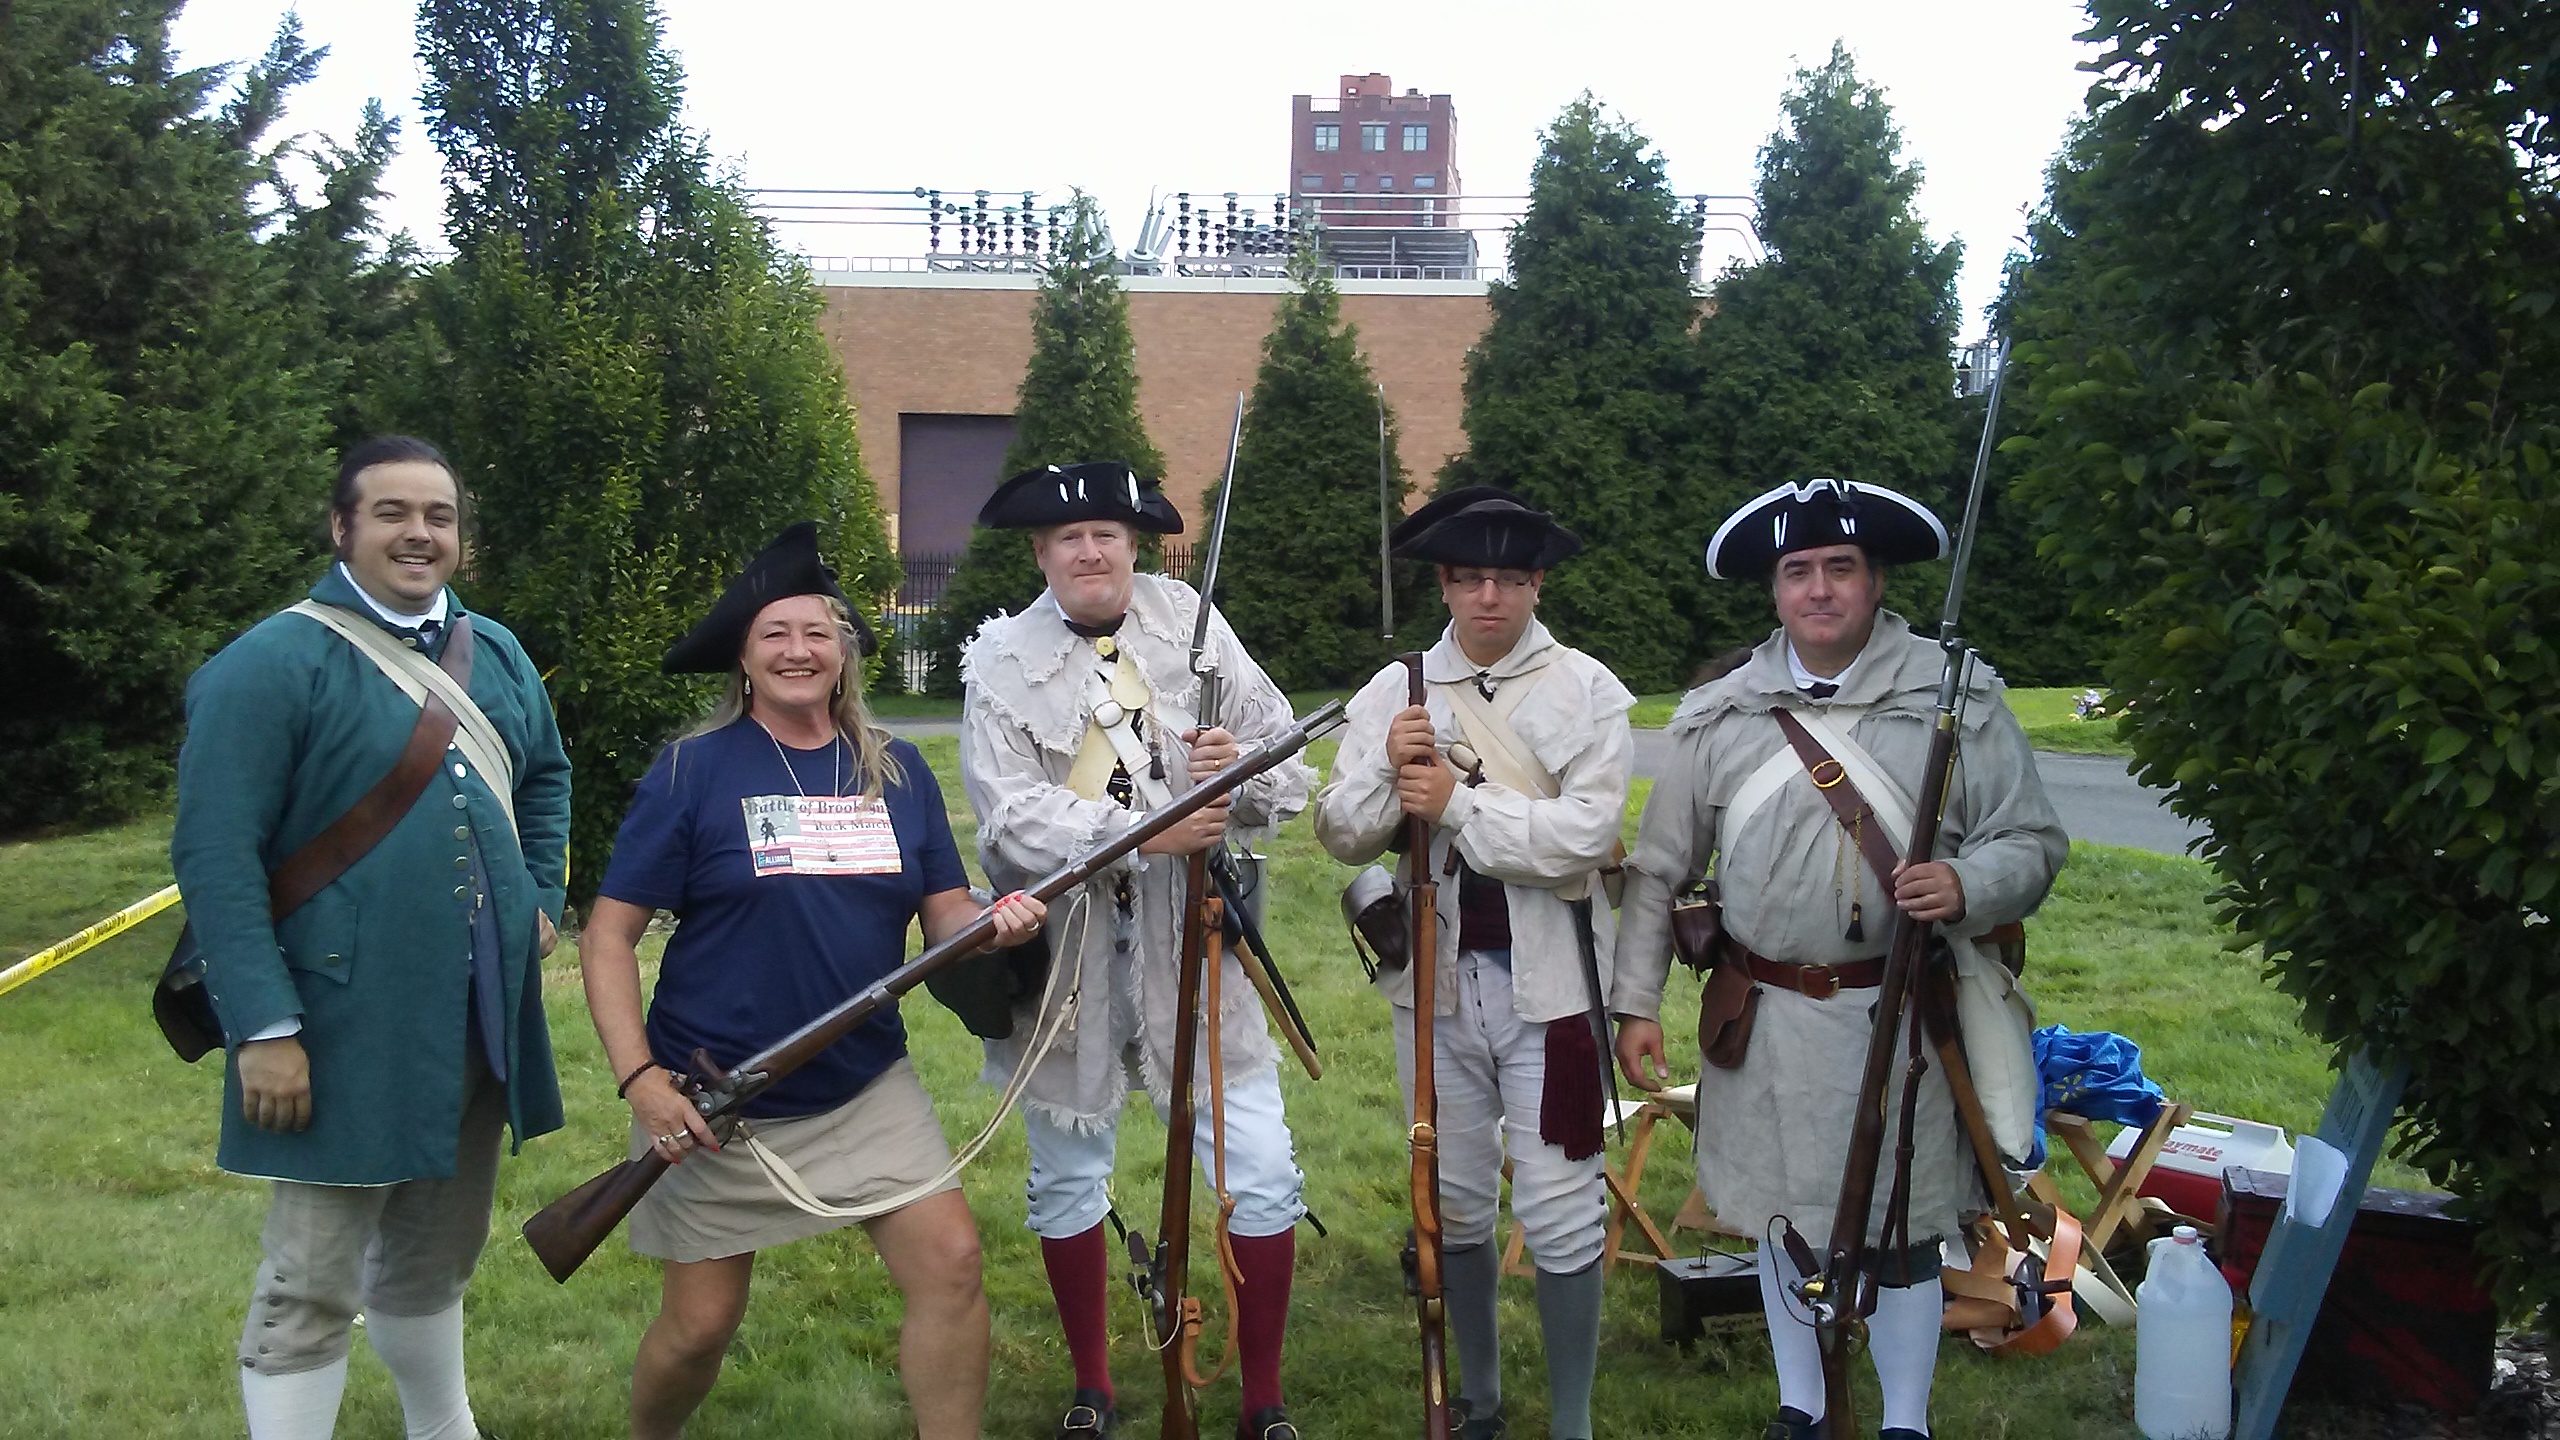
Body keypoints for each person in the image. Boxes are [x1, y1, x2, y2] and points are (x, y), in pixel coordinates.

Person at [1610, 479, 2070, 1440]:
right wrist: (1636, 1003)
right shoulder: (1720, 713)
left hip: (1901, 1014)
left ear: (1875, 580)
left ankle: (1905, 1419)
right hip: (1767, 1015)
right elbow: (1658, 870)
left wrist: (1967, 884)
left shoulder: (1956, 696)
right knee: (1783, 1222)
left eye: (1840, 569)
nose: (1819, 590)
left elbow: (2029, 840)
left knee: (1903, 1221)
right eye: (1798, 571)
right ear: (1775, 591)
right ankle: (1802, 1407)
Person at [580, 522, 1044, 1440]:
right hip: (714, 1097)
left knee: (951, 1263)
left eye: (818, 633)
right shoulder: (692, 771)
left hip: (862, 1081)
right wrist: (643, 1081)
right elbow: (606, 936)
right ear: (745, 660)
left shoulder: (898, 771)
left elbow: (943, 912)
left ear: (845, 654)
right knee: (699, 1327)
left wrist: (992, 925)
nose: (798, 650)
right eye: (775, 635)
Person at [171, 435, 572, 1440]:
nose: (418, 533)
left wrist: (538, 890)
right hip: (335, 1017)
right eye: (392, 512)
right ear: (342, 526)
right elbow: (217, 858)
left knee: (437, 1254)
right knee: (311, 1282)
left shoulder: (500, 652)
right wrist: (263, 1024)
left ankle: (444, 1428)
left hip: (479, 1013)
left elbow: (548, 776)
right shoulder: (268, 664)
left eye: (438, 516)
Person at [958, 462, 1316, 1440]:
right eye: (1067, 538)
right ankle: (1093, 1388)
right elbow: (1010, 823)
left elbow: (1282, 762)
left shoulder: (1192, 627)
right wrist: (1152, 827)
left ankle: (1262, 1399)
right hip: (1066, 966)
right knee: (1067, 1180)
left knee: (1264, 1170)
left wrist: (1229, 775)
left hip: (1196, 951)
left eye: (1107, 533)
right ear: (1039, 552)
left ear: (1133, 542)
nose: (1089, 550)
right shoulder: (998, 661)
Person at [1313, 488, 1635, 1440]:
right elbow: (1339, 833)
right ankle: (1481, 1405)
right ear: (1446, 586)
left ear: (1535, 583)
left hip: (1555, 987)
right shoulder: (1397, 687)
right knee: (1452, 1198)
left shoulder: (1589, 689)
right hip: (1437, 984)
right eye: (1470, 578)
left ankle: (1570, 1422)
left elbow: (1584, 838)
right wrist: (1386, 766)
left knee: (1561, 1203)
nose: (1490, 596)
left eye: (1509, 578)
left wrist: (1453, 802)